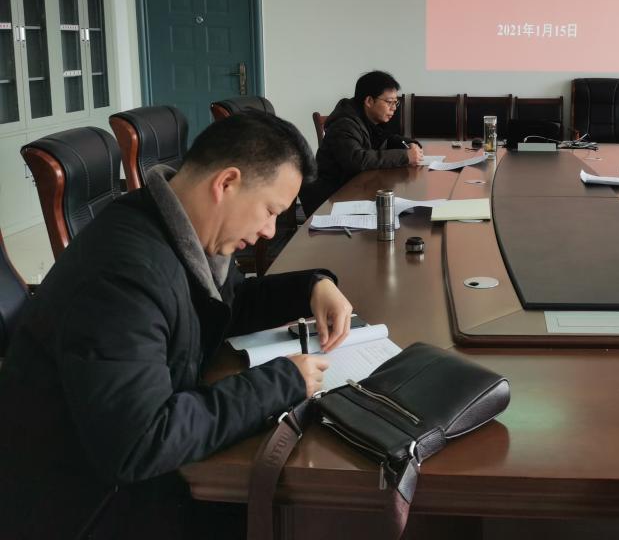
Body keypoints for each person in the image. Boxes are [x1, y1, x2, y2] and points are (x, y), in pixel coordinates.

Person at [0, 112, 353, 539]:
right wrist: (282, 382)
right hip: (85, 507)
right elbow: (140, 442)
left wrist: (311, 287)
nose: (268, 231)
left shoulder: (171, 224)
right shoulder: (123, 277)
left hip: (120, 478)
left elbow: (226, 303)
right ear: (226, 183)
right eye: (270, 211)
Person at [302, 70, 423, 213]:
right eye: (389, 102)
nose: (394, 108)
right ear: (369, 101)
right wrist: (405, 156)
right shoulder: (344, 124)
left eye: (395, 102)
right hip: (332, 199)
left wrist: (410, 144)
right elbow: (357, 160)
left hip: (358, 190)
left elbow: (387, 139)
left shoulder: (370, 120)